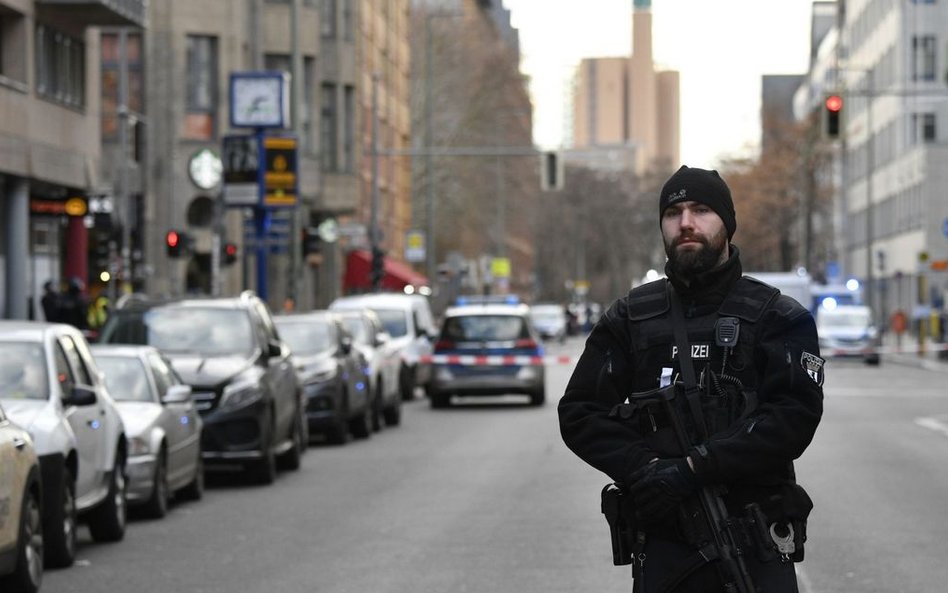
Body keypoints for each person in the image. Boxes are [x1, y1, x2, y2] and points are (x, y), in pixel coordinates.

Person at [558, 166, 823, 592]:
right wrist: (646, 469)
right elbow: (580, 412)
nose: (686, 223)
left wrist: (694, 468)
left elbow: (793, 418)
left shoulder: (777, 316)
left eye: (701, 210)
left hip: (753, 544)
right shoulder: (631, 317)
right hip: (666, 542)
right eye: (673, 212)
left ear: (727, 224)